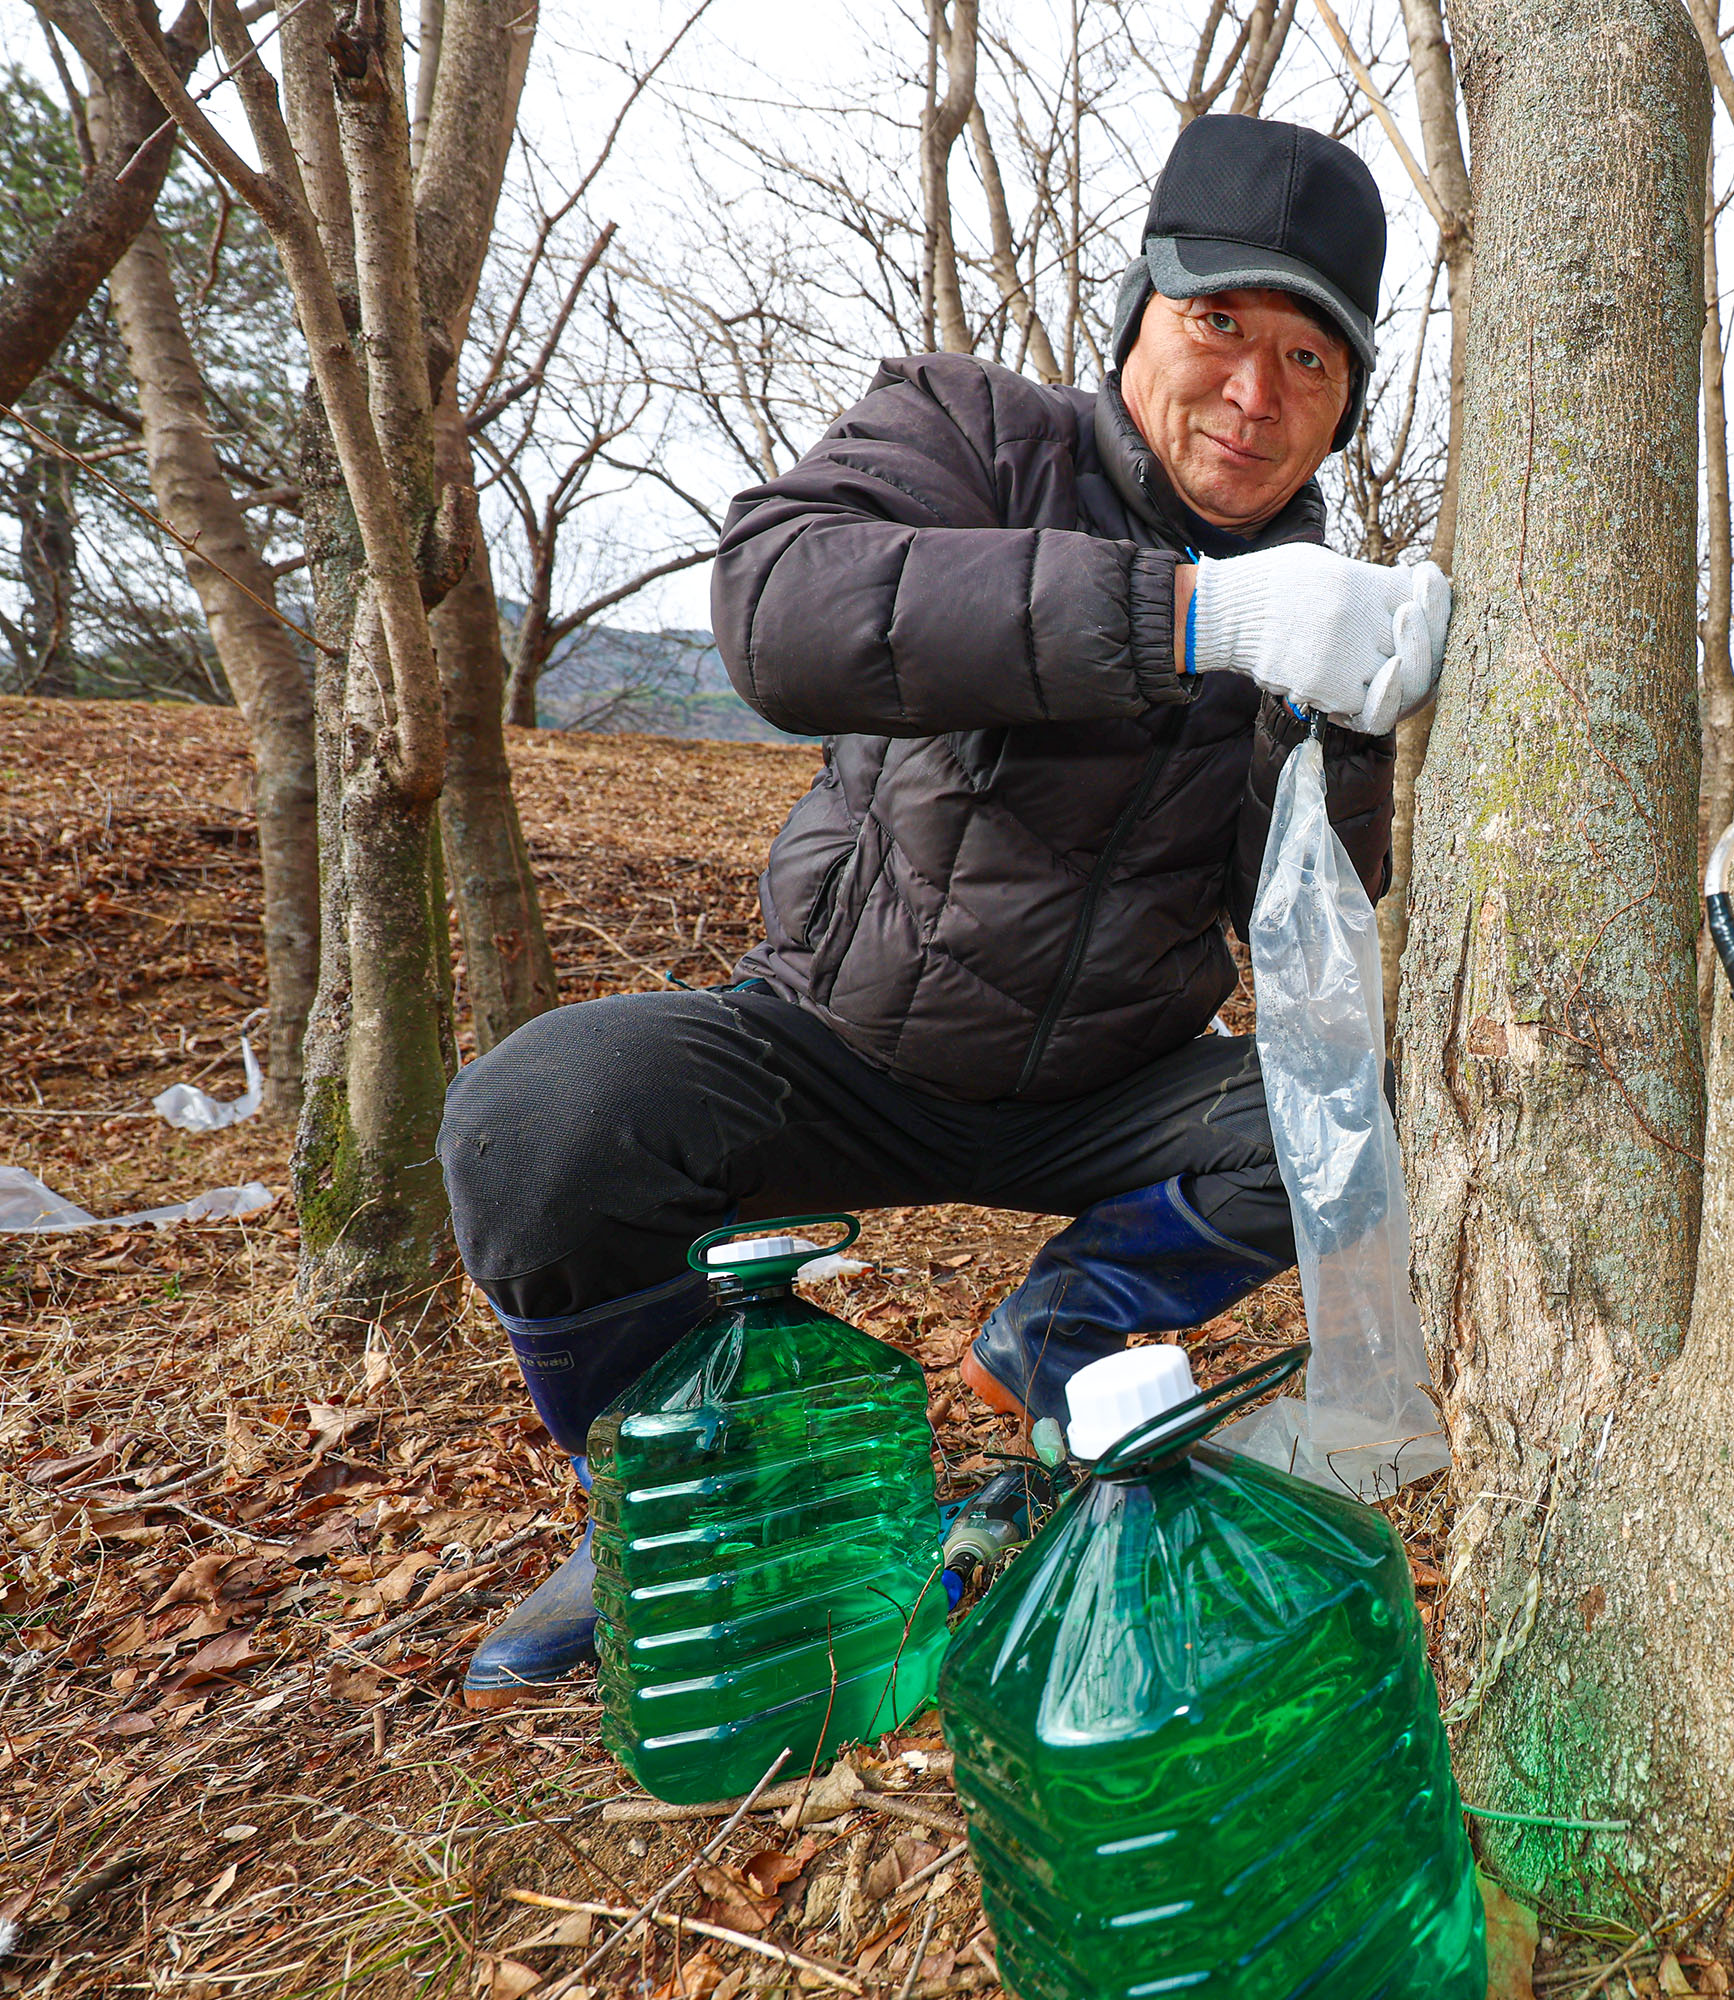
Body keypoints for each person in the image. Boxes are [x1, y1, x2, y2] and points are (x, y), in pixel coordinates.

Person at [436, 113, 1448, 1704]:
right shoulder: (969, 431)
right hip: (836, 1038)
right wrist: (1193, 616)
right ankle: (667, 1499)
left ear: (1342, 410)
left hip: (1109, 1095)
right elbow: (782, 612)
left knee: (1364, 1111)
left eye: (1312, 362)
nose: (1257, 395)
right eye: (1222, 325)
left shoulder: (1324, 616)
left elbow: (1306, 923)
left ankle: (1057, 1350)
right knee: (537, 1118)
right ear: (1142, 318)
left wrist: (1366, 722)